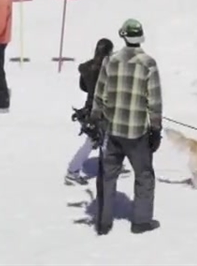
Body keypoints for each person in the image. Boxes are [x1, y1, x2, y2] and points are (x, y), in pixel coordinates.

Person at [90, 19, 162, 235]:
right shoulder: (148, 63)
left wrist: (95, 118)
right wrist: (155, 130)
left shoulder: (110, 62)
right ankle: (141, 221)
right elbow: (154, 101)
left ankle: (104, 222)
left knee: (108, 176)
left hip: (113, 130)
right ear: (140, 38)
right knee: (144, 175)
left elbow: (99, 94)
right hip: (137, 133)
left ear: (123, 37)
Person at [65, 38, 114, 185]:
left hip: (90, 108)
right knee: (100, 140)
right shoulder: (109, 70)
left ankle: (76, 170)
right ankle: (74, 170)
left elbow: (83, 87)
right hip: (103, 109)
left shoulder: (87, 67)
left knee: (97, 140)